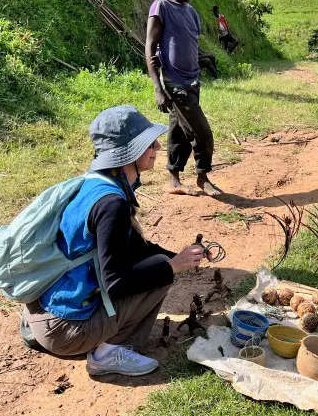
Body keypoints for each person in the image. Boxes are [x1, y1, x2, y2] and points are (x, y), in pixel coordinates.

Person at [19, 106, 207, 376]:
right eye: (147, 143)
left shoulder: (96, 184)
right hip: (65, 332)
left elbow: (134, 249)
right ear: (127, 153)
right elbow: (117, 285)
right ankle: (108, 352)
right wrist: (173, 267)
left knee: (159, 261)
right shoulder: (113, 205)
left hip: (44, 312)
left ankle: (60, 330)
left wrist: (180, 256)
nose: (156, 146)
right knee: (162, 273)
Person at [146, 0, 221, 197]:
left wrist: (202, 60)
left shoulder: (192, 13)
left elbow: (188, 45)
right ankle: (202, 176)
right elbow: (150, 46)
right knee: (202, 132)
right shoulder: (161, 7)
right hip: (174, 83)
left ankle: (174, 180)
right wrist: (158, 89)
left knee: (178, 131)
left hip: (192, 81)